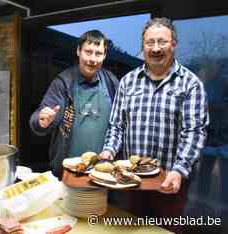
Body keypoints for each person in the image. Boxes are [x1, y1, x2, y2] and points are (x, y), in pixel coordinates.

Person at [101, 18, 209, 233]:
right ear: (143, 46)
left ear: (173, 45)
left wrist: (179, 170)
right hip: (132, 180)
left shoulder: (191, 83)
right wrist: (109, 150)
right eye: (150, 42)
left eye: (162, 41)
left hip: (170, 179)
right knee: (132, 227)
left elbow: (194, 132)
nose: (156, 48)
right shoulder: (128, 81)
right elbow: (117, 125)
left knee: (167, 230)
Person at [30, 30, 119, 177]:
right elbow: (40, 118)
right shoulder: (64, 82)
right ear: (78, 51)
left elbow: (119, 123)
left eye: (98, 53)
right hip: (68, 172)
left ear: (104, 55)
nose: (93, 59)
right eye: (88, 52)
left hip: (102, 172)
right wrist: (41, 121)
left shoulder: (111, 82)